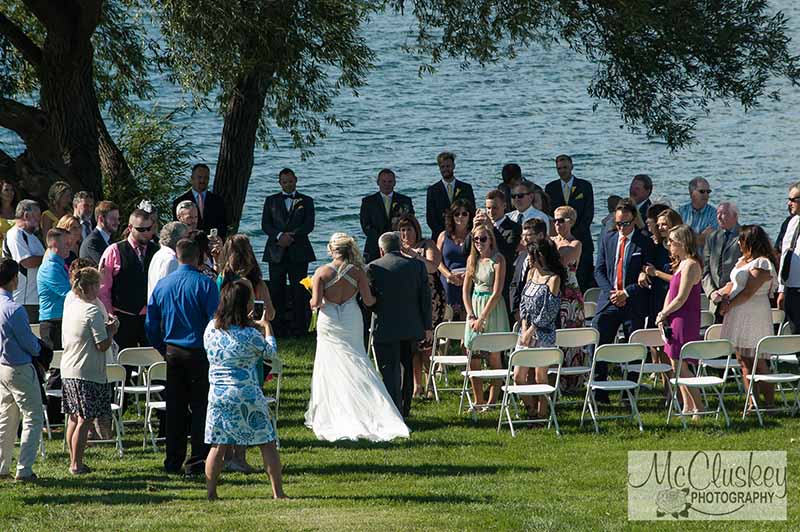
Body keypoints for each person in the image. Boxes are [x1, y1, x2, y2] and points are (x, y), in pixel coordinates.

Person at [306, 233, 409, 440]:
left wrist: (311, 295)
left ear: (331, 250)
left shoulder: (321, 272)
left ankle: (334, 408)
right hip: (352, 317)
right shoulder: (358, 272)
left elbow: (316, 303)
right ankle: (370, 405)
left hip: (330, 320)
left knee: (330, 362)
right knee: (357, 358)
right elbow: (369, 301)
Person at [203, 279, 286, 500]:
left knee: (218, 445)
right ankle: (278, 492)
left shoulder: (211, 328)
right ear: (244, 305)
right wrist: (266, 327)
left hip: (219, 394)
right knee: (266, 442)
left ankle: (211, 493)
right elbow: (271, 354)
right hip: (247, 393)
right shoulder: (250, 335)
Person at [146, 238, 219, 475]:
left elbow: (151, 323)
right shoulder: (206, 284)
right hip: (199, 352)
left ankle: (173, 461)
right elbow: (214, 321)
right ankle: (198, 460)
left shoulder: (163, 285)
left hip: (172, 352)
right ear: (198, 257)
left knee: (175, 408)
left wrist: (160, 346)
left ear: (177, 256)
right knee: (200, 408)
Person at [593, 199, 654, 402]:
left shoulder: (644, 241)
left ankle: (629, 393)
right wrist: (612, 292)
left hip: (633, 299)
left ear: (634, 220)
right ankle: (600, 390)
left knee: (633, 346)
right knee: (599, 336)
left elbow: (648, 275)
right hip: (610, 299)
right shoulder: (608, 237)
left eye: (625, 223)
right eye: (618, 223)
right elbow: (599, 269)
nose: (621, 228)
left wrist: (626, 293)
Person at [367, 232, 432, 418]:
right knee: (407, 365)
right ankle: (405, 407)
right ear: (400, 246)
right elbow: (425, 299)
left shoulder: (372, 267)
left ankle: (393, 410)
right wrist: (427, 326)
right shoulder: (417, 266)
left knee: (390, 370)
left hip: (386, 326)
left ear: (381, 250)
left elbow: (369, 301)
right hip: (411, 326)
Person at [61, 266, 118, 475]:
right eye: (97, 284)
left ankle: (73, 459)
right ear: (90, 286)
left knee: (74, 418)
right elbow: (102, 344)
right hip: (86, 371)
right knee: (84, 419)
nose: (100, 288)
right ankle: (76, 464)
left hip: (68, 368)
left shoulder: (72, 306)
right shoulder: (92, 310)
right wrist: (112, 330)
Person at [714, 225, 777, 410]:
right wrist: (720, 295)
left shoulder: (762, 263)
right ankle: (752, 402)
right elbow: (733, 283)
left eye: (741, 240)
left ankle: (770, 403)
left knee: (758, 360)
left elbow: (749, 291)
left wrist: (728, 305)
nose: (738, 244)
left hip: (753, 311)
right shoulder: (743, 260)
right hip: (737, 313)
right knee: (743, 360)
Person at [0, 257, 43, 482]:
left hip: (2, 367)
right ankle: (24, 468)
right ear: (14, 279)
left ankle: (2, 465)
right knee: (33, 416)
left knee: (7, 416)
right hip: (19, 366)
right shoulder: (14, 309)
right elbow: (29, 343)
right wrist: (41, 348)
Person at [656, 225, 704, 421]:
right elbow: (671, 292)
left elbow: (682, 297)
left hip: (685, 318)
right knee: (676, 364)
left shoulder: (692, 265)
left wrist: (664, 313)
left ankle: (698, 407)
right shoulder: (681, 264)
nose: (669, 245)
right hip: (674, 316)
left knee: (681, 364)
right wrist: (663, 313)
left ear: (683, 243)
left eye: (672, 242)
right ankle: (687, 405)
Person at [261, 167, 316, 337]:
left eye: (290, 181)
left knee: (299, 290)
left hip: (298, 250)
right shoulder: (271, 201)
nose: (288, 184)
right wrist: (279, 236)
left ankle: (300, 328)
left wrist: (292, 236)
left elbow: (309, 225)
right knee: (276, 291)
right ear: (280, 183)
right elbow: (266, 225)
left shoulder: (306, 200)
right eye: (284, 182)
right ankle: (276, 328)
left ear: (296, 180)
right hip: (275, 252)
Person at [515, 240, 565, 418]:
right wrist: (524, 326)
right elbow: (523, 302)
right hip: (526, 330)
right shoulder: (530, 273)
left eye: (531, 255)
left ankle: (542, 413)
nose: (528, 259)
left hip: (544, 333)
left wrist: (532, 329)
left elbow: (549, 310)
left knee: (539, 376)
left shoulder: (554, 279)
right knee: (518, 376)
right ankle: (531, 409)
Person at [462, 224, 509, 410]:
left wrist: (483, 317)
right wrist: (471, 314)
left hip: (492, 308)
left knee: (494, 356)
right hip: (474, 305)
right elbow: (465, 291)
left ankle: (492, 400)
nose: (479, 243)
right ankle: (478, 399)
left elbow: (497, 292)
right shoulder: (471, 260)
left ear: (490, 240)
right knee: (473, 354)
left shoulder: (498, 260)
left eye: (483, 239)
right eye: (476, 239)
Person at [98, 208, 159, 349]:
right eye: (141, 229)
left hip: (149, 317)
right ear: (130, 228)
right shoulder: (114, 250)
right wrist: (110, 316)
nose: (146, 233)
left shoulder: (157, 251)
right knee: (124, 364)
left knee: (152, 361)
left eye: (149, 229)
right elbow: (103, 289)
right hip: (122, 317)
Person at [398, 215, 444, 398]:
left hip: (431, 300)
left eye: (409, 229)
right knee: (413, 346)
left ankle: (431, 384)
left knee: (427, 345)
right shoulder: (398, 250)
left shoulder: (427, 245)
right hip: (410, 301)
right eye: (402, 230)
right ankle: (417, 386)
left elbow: (433, 267)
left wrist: (414, 255)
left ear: (416, 230)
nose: (406, 233)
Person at [545, 154, 595, 291]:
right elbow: (550, 215)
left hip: (582, 239)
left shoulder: (585, 186)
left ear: (572, 166)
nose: (562, 171)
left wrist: (572, 234)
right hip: (559, 240)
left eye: (565, 167)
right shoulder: (550, 188)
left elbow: (588, 215)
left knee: (583, 280)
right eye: (559, 168)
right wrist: (560, 234)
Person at [551, 206, 586, 392]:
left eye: (561, 220)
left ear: (571, 222)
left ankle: (573, 381)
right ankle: (555, 377)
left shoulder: (576, 244)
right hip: (552, 292)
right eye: (555, 220)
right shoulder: (550, 242)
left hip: (570, 294)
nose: (557, 224)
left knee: (571, 334)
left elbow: (561, 261)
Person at [476, 190, 521, 312]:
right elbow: (466, 251)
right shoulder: (481, 228)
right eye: (488, 208)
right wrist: (473, 230)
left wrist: (492, 230)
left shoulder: (513, 228)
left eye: (494, 208)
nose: (491, 212)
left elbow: (508, 252)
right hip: (483, 280)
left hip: (505, 281)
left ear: (504, 206)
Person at [3, 200, 45, 323]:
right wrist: (49, 257)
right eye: (37, 216)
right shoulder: (15, 234)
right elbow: (26, 262)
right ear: (26, 216)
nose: (39, 220)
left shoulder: (32, 237)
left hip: (35, 299)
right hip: (24, 300)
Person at [360, 168, 415, 263]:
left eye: (390, 181)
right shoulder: (368, 202)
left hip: (399, 244)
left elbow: (410, 222)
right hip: (374, 246)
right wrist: (384, 240)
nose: (387, 184)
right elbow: (366, 225)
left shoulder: (405, 201)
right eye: (384, 181)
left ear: (394, 183)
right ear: (378, 182)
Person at [642, 208, 683, 325]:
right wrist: (643, 271)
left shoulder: (682, 251)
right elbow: (645, 264)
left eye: (664, 224)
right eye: (658, 225)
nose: (660, 228)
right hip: (656, 295)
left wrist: (656, 273)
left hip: (675, 296)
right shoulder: (656, 246)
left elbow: (679, 279)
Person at [701, 202, 742, 321]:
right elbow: (705, 269)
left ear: (735, 216)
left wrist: (727, 291)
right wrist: (711, 292)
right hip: (715, 300)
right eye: (717, 213)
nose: (719, 217)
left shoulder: (744, 235)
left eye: (723, 213)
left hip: (735, 298)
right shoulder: (712, 237)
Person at [436, 199, 474, 320]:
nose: (460, 217)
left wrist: (468, 275)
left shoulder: (476, 236)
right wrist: (449, 276)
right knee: (448, 316)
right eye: (456, 214)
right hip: (448, 281)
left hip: (470, 279)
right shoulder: (443, 236)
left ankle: (465, 339)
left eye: (464, 214)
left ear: (470, 215)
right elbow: (437, 260)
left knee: (467, 316)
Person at [426, 152, 475, 240]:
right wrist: (445, 235)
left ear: (453, 166)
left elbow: (471, 212)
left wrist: (463, 232)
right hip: (440, 236)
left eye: (448, 166)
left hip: (464, 235)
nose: (445, 169)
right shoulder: (432, 190)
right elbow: (430, 218)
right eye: (442, 167)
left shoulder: (466, 188)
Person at [172, 163, 229, 239]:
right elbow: (177, 228)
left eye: (206, 178)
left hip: (211, 244)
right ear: (192, 178)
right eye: (199, 177)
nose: (202, 180)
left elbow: (223, 226)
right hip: (189, 244)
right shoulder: (179, 202)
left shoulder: (218, 201)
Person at [37, 229, 71, 351]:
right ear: (55, 245)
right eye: (66, 243)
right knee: (56, 367)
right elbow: (70, 293)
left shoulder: (59, 264)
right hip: (52, 324)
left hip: (59, 321)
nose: (70, 246)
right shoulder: (50, 268)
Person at [510, 218, 549, 321]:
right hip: (519, 312)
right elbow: (515, 284)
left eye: (529, 235)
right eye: (523, 235)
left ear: (540, 235)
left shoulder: (546, 259)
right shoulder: (522, 256)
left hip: (538, 315)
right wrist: (515, 309)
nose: (525, 239)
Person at [147, 221, 189, 302]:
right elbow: (168, 293)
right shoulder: (171, 260)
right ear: (178, 239)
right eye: (186, 237)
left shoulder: (158, 254)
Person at [778, 181, 800, 334]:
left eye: (793, 200)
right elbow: (785, 255)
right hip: (790, 289)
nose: (789, 203)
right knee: (794, 334)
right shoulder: (792, 222)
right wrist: (781, 289)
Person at [677, 177, 718, 253]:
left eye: (708, 191)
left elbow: (704, 240)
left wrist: (685, 235)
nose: (706, 194)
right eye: (702, 191)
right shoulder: (680, 212)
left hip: (704, 261)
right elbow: (675, 237)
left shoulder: (715, 214)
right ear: (691, 192)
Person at [80, 201, 120, 265]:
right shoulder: (92, 242)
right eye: (113, 219)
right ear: (101, 219)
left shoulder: (110, 241)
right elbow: (107, 267)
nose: (118, 222)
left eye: (118, 219)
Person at [0, 181, 18, 250]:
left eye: (12, 190)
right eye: (6, 190)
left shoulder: (19, 210)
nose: (10, 192)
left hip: (16, 250)